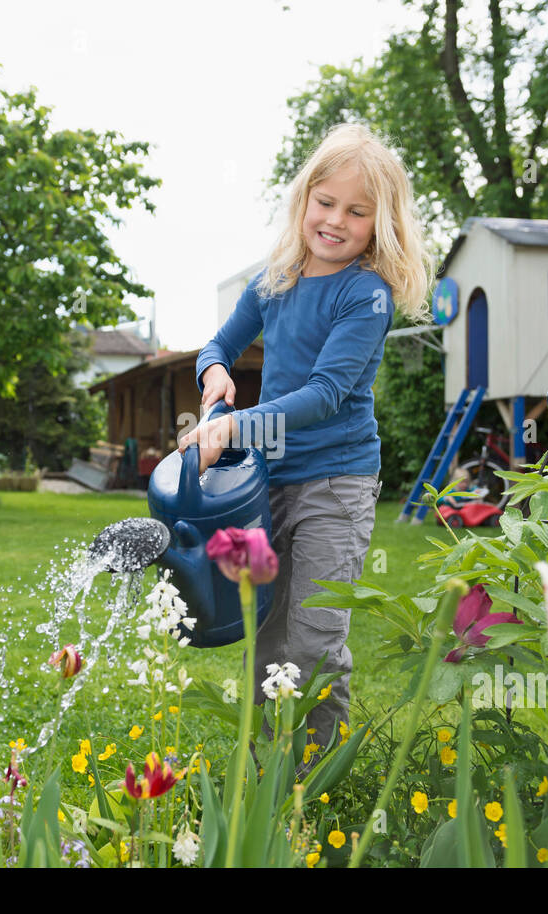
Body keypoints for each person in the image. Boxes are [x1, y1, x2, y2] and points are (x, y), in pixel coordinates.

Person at [179, 123, 430, 754]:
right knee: (268, 631)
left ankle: (318, 782)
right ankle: (271, 775)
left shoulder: (365, 295)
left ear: (381, 223)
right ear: (303, 199)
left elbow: (325, 396)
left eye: (357, 211)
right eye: (326, 201)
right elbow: (218, 345)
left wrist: (235, 425)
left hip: (336, 485)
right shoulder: (275, 280)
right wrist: (214, 373)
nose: (336, 220)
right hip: (270, 480)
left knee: (313, 639)